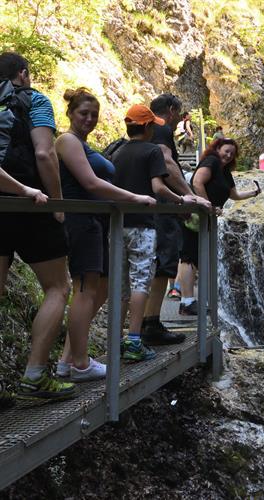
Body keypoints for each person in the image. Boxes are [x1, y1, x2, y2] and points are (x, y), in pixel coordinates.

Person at [55, 88, 156, 382]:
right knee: (85, 292)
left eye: (94, 115)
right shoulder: (67, 141)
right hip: (81, 221)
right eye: (83, 113)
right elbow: (91, 182)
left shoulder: (82, 144)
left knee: (97, 291)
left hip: (93, 223)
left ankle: (66, 361)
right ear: (71, 114)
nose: (89, 119)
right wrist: (134, 198)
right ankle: (81, 364)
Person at [0, 52, 75, 400]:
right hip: (31, 203)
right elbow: (45, 153)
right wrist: (56, 203)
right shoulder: (34, 99)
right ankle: (33, 377)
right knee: (58, 287)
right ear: (23, 73)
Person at [112, 104, 190, 362]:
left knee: (121, 285)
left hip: (118, 224)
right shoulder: (153, 151)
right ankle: (135, 340)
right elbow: (158, 186)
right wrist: (181, 199)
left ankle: (116, 341)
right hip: (143, 225)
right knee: (141, 281)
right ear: (147, 128)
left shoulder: (119, 151)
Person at [142, 94, 211, 345]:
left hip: (155, 207)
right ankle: (149, 324)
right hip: (160, 210)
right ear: (171, 111)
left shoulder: (150, 128)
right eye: (178, 116)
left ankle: (148, 323)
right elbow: (167, 163)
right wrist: (189, 196)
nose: (178, 122)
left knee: (160, 263)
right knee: (164, 263)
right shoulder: (160, 128)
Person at [177, 138, 261, 315]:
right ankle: (186, 301)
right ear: (217, 149)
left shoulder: (225, 172)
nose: (229, 155)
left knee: (196, 257)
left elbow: (235, 195)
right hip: (196, 214)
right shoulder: (212, 161)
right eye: (226, 151)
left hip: (206, 218)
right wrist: (207, 205)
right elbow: (197, 182)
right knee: (189, 257)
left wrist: (254, 193)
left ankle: (191, 301)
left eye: (232, 153)